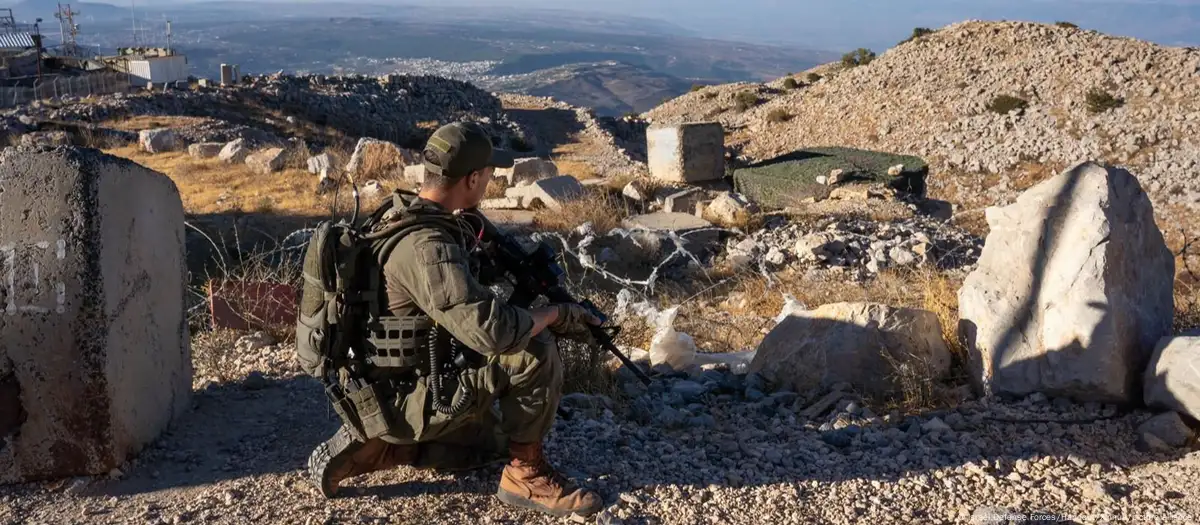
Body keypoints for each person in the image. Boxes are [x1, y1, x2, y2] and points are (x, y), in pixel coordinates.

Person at [307, 121, 605, 519]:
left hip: (383, 384)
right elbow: (495, 333)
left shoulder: (402, 216)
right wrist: (555, 313)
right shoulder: (428, 246)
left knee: (493, 442)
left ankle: (386, 445)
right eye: (488, 175)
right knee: (534, 348)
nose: (490, 182)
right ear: (473, 177)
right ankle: (524, 475)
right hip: (404, 396)